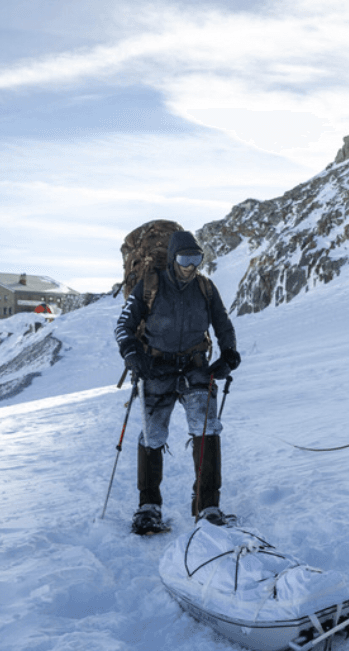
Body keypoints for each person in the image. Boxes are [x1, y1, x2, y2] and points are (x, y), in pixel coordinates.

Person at [115, 229, 242, 534]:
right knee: (153, 434)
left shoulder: (205, 288)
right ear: (173, 258)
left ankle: (208, 506)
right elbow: (124, 324)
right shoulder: (150, 285)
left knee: (207, 428)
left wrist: (229, 353)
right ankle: (148, 507)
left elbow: (223, 323)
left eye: (196, 258)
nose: (190, 265)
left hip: (196, 367)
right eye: (185, 258)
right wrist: (132, 352)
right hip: (155, 367)